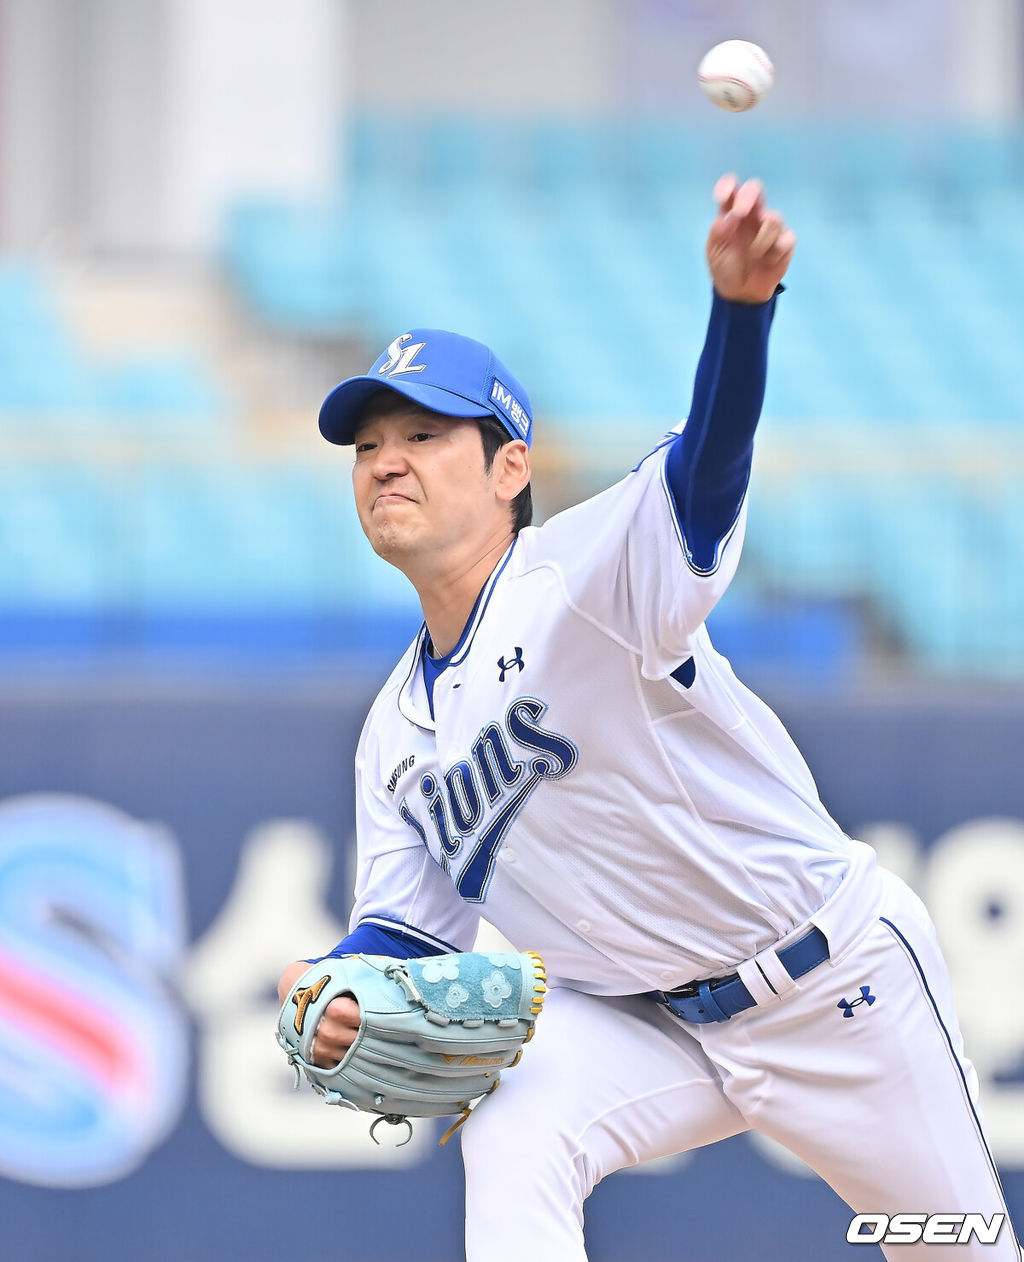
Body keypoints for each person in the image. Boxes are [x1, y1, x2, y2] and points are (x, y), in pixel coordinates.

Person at [278, 175, 1020, 1260]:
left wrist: (740, 312)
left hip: (830, 980)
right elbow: (405, 928)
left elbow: (704, 475)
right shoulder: (392, 732)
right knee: (514, 1119)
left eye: (427, 433)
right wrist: (342, 982)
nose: (387, 457)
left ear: (510, 468)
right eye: (368, 442)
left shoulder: (581, 576)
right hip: (639, 1022)